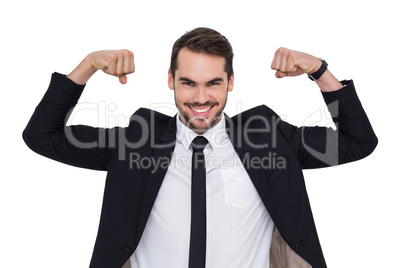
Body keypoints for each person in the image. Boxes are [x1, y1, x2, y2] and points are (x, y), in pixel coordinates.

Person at [23, 27, 378, 268]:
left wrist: (319, 71)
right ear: (170, 80)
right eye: (188, 83)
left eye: (213, 83)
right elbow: (42, 136)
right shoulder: (137, 140)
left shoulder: (269, 138)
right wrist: (86, 66)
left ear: (231, 82)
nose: (201, 98)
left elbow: (358, 141)